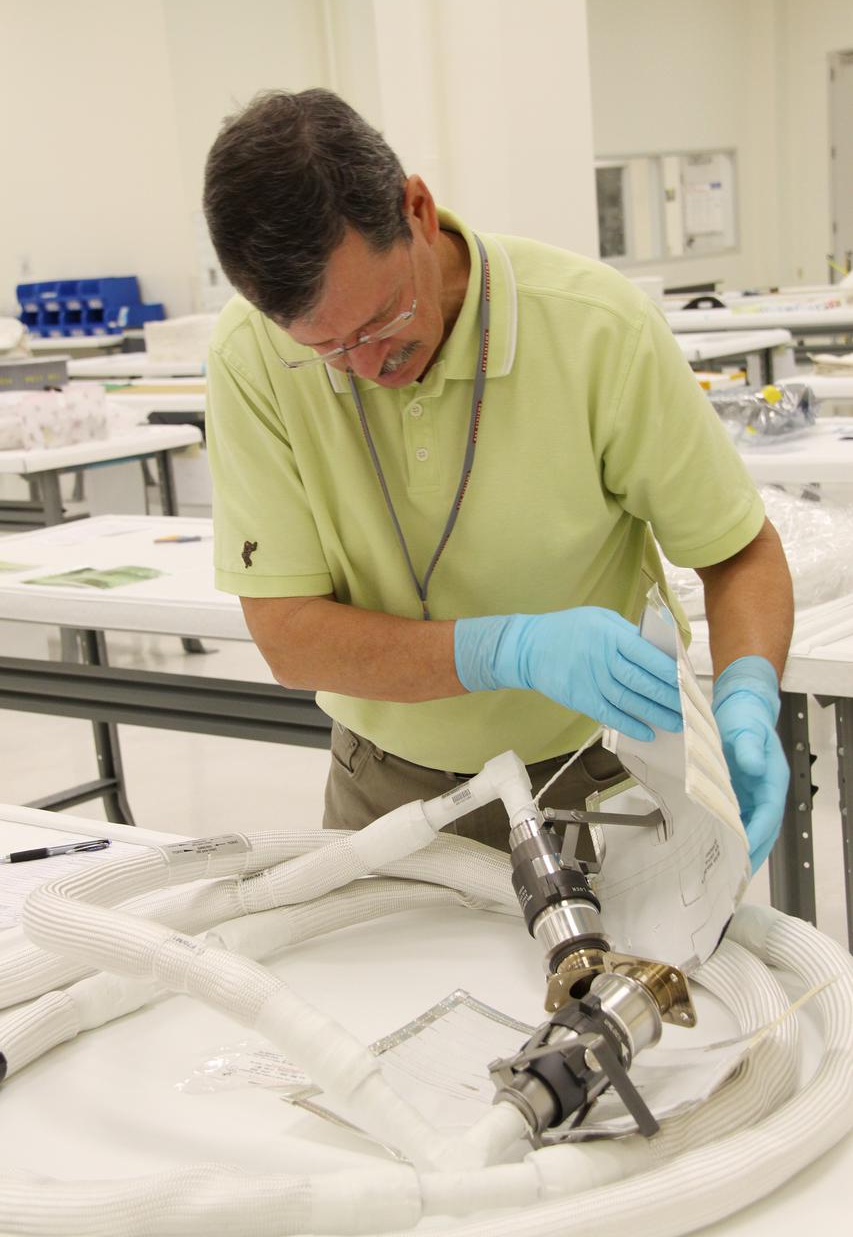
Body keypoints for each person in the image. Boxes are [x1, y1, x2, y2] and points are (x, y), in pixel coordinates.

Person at [202, 88, 793, 871]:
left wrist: (749, 693)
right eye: (329, 349)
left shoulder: (594, 327)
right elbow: (287, 636)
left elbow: (737, 552)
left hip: (602, 774)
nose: (368, 370)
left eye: (380, 321)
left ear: (416, 209)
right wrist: (504, 650)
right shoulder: (252, 357)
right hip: (383, 785)